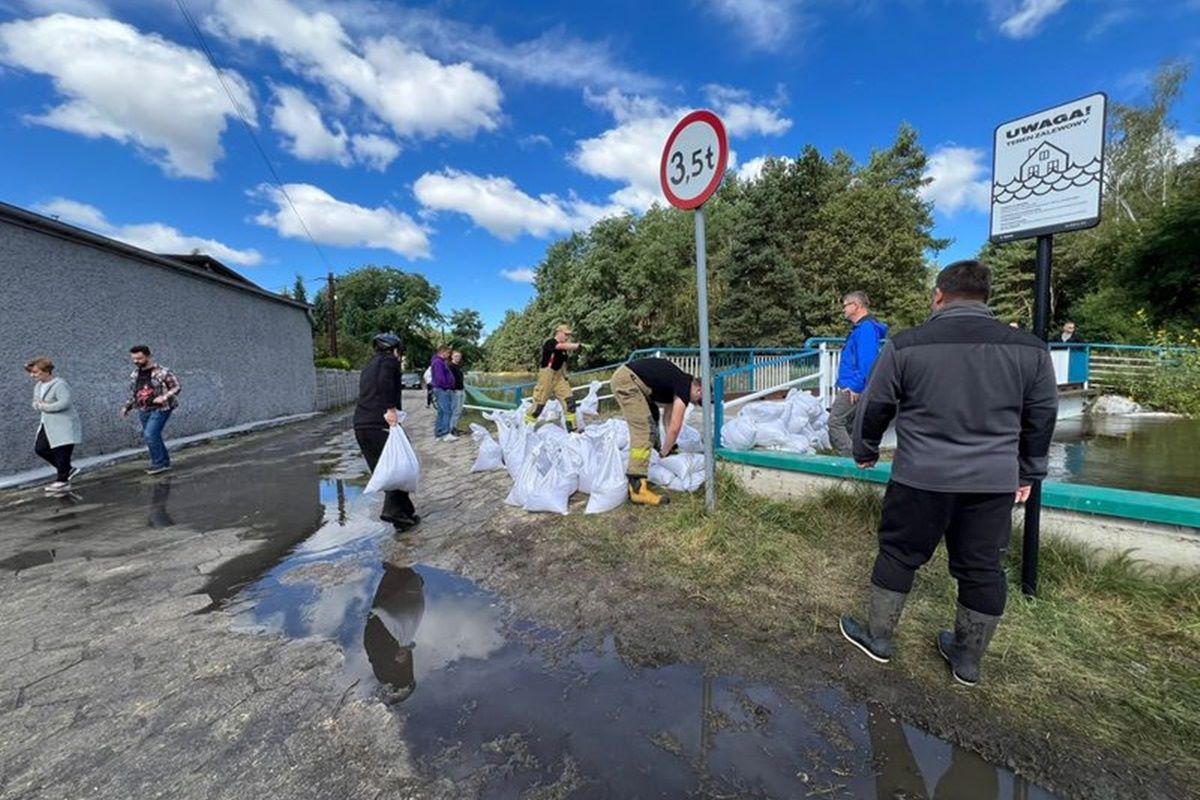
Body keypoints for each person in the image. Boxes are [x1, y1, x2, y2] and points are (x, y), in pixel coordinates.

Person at [839, 260, 1058, 687]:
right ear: (987, 299)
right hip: (993, 482)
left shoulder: (906, 345)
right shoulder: (1031, 350)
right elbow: (1041, 417)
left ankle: (878, 638)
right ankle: (967, 660)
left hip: (920, 476)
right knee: (982, 567)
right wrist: (1029, 472)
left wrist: (864, 450)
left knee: (900, 553)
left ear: (939, 295)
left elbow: (876, 404)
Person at [610, 357, 704, 507]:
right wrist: (665, 451)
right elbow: (675, 426)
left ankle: (652, 456)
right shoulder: (684, 386)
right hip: (627, 382)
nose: (693, 403)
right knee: (644, 429)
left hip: (632, 382)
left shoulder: (678, 382)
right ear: (699, 390)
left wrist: (669, 447)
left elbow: (667, 419)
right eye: (697, 401)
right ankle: (637, 487)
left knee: (653, 417)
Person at [354, 333, 419, 531]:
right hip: (379, 423)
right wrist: (391, 409)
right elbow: (384, 383)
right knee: (398, 468)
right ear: (395, 349)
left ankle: (405, 514)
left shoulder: (369, 365)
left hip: (361, 425)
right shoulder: (389, 362)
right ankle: (394, 512)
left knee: (389, 470)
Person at [829, 291, 888, 457]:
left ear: (856, 306)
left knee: (835, 422)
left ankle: (850, 464)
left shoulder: (866, 329)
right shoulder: (861, 329)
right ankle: (861, 462)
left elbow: (868, 362)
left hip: (853, 387)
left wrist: (855, 386)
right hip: (851, 385)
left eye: (845, 305)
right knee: (849, 426)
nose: (843, 310)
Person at [120, 345, 181, 475]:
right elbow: (134, 393)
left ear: (148, 356)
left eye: (139, 358)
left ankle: (158, 464)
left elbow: (176, 387)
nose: (136, 361)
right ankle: (164, 462)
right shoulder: (135, 374)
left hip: (161, 408)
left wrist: (164, 397)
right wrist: (127, 406)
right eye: (134, 359)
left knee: (150, 434)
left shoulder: (163, 372)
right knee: (153, 435)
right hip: (143, 408)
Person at [26, 357, 82, 492]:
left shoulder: (59, 384)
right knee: (40, 448)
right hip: (47, 423)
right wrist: (39, 405)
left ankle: (62, 480)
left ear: (46, 371)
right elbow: (35, 402)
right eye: (32, 373)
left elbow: (64, 403)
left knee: (61, 451)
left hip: (63, 423)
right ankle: (68, 469)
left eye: (36, 372)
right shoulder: (38, 386)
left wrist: (44, 406)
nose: (33, 375)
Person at [527, 324, 583, 430]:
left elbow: (563, 363)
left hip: (559, 376)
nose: (567, 337)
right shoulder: (550, 342)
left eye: (568, 335)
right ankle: (525, 429)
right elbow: (560, 346)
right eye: (565, 334)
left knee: (570, 403)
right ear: (558, 332)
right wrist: (577, 346)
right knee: (539, 406)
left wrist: (565, 376)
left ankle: (573, 431)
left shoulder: (564, 349)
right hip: (547, 375)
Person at [429, 345, 457, 441]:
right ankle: (445, 433)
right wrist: (448, 386)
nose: (449, 355)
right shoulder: (438, 362)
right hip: (442, 390)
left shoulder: (439, 361)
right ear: (442, 352)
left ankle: (439, 433)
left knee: (441, 412)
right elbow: (440, 378)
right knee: (447, 411)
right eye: (448, 353)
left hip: (440, 389)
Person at [449, 351, 466, 436]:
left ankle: (455, 427)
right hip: (455, 391)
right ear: (452, 357)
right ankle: (452, 429)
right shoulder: (450, 366)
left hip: (461, 390)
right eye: (456, 356)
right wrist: (452, 388)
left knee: (459, 410)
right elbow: (449, 379)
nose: (457, 358)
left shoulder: (458, 366)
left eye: (459, 356)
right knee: (455, 411)